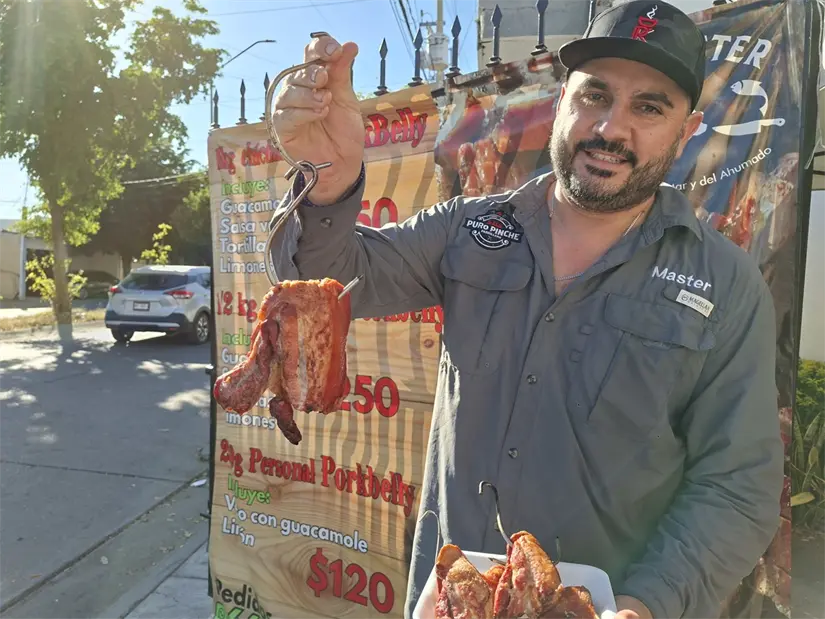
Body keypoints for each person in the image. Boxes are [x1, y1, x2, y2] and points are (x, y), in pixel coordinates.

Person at [267, 1, 785, 618]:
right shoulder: (471, 228)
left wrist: (647, 604)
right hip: (452, 601)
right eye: (595, 95)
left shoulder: (724, 282)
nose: (612, 128)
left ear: (686, 128)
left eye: (649, 107)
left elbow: (738, 486)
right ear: (563, 97)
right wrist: (327, 176)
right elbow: (323, 284)